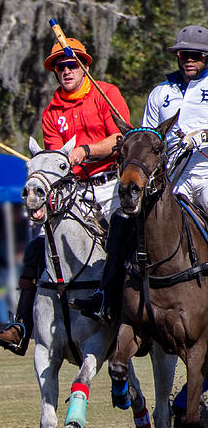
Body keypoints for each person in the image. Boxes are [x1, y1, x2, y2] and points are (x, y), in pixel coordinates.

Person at [0, 36, 130, 353]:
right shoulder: (52, 111)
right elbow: (55, 161)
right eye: (60, 66)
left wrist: (86, 150)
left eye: (71, 64)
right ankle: (22, 324)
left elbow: (123, 137)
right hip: (72, 190)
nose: (66, 70)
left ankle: (139, 314)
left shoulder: (106, 95)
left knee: (128, 237)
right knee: (38, 243)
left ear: (83, 66)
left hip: (110, 182)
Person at [73, 24, 208, 322]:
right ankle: (106, 297)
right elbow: (147, 134)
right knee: (126, 224)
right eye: (184, 54)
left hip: (206, 172)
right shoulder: (161, 93)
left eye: (196, 55)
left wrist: (204, 136)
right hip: (172, 175)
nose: (189, 60)